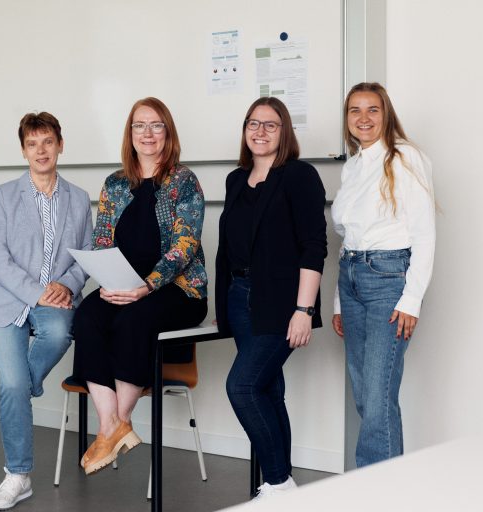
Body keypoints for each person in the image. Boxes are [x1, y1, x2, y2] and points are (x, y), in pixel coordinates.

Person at [71, 97, 208, 475]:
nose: (147, 134)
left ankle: (119, 420)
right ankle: (111, 426)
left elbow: (185, 246)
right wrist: (110, 280)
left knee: (134, 318)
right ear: (129, 134)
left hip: (179, 290)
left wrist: (144, 288)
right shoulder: (114, 184)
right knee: (87, 315)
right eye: (139, 126)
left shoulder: (183, 181)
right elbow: (102, 241)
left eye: (156, 125)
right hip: (125, 286)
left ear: (168, 132)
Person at [0, 112, 92, 509]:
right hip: (6, 297)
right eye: (32, 144)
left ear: (60, 144)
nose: (41, 150)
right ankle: (18, 476)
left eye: (48, 142)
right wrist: (36, 292)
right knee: (12, 384)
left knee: (57, 335)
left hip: (56, 298)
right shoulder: (2, 195)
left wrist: (66, 285)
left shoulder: (78, 198)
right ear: (23, 150)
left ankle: (11, 399)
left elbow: (85, 255)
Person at [215, 97, 327, 500]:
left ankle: (279, 484)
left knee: (242, 387)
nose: (260, 131)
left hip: (281, 302)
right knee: (266, 391)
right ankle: (282, 487)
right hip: (239, 298)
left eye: (271, 125)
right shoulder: (235, 179)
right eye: (253, 123)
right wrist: (221, 306)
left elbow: (314, 246)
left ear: (285, 133)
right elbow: (228, 249)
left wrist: (303, 309)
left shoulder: (299, 176)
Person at [331, 82, 435, 467]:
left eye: (372, 109)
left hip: (389, 279)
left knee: (378, 396)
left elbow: (425, 233)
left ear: (386, 114)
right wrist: (339, 299)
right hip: (352, 277)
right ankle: (382, 486)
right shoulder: (353, 165)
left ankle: (379, 496)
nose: (363, 118)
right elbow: (347, 238)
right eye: (355, 110)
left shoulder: (405, 157)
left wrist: (412, 299)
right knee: (364, 393)